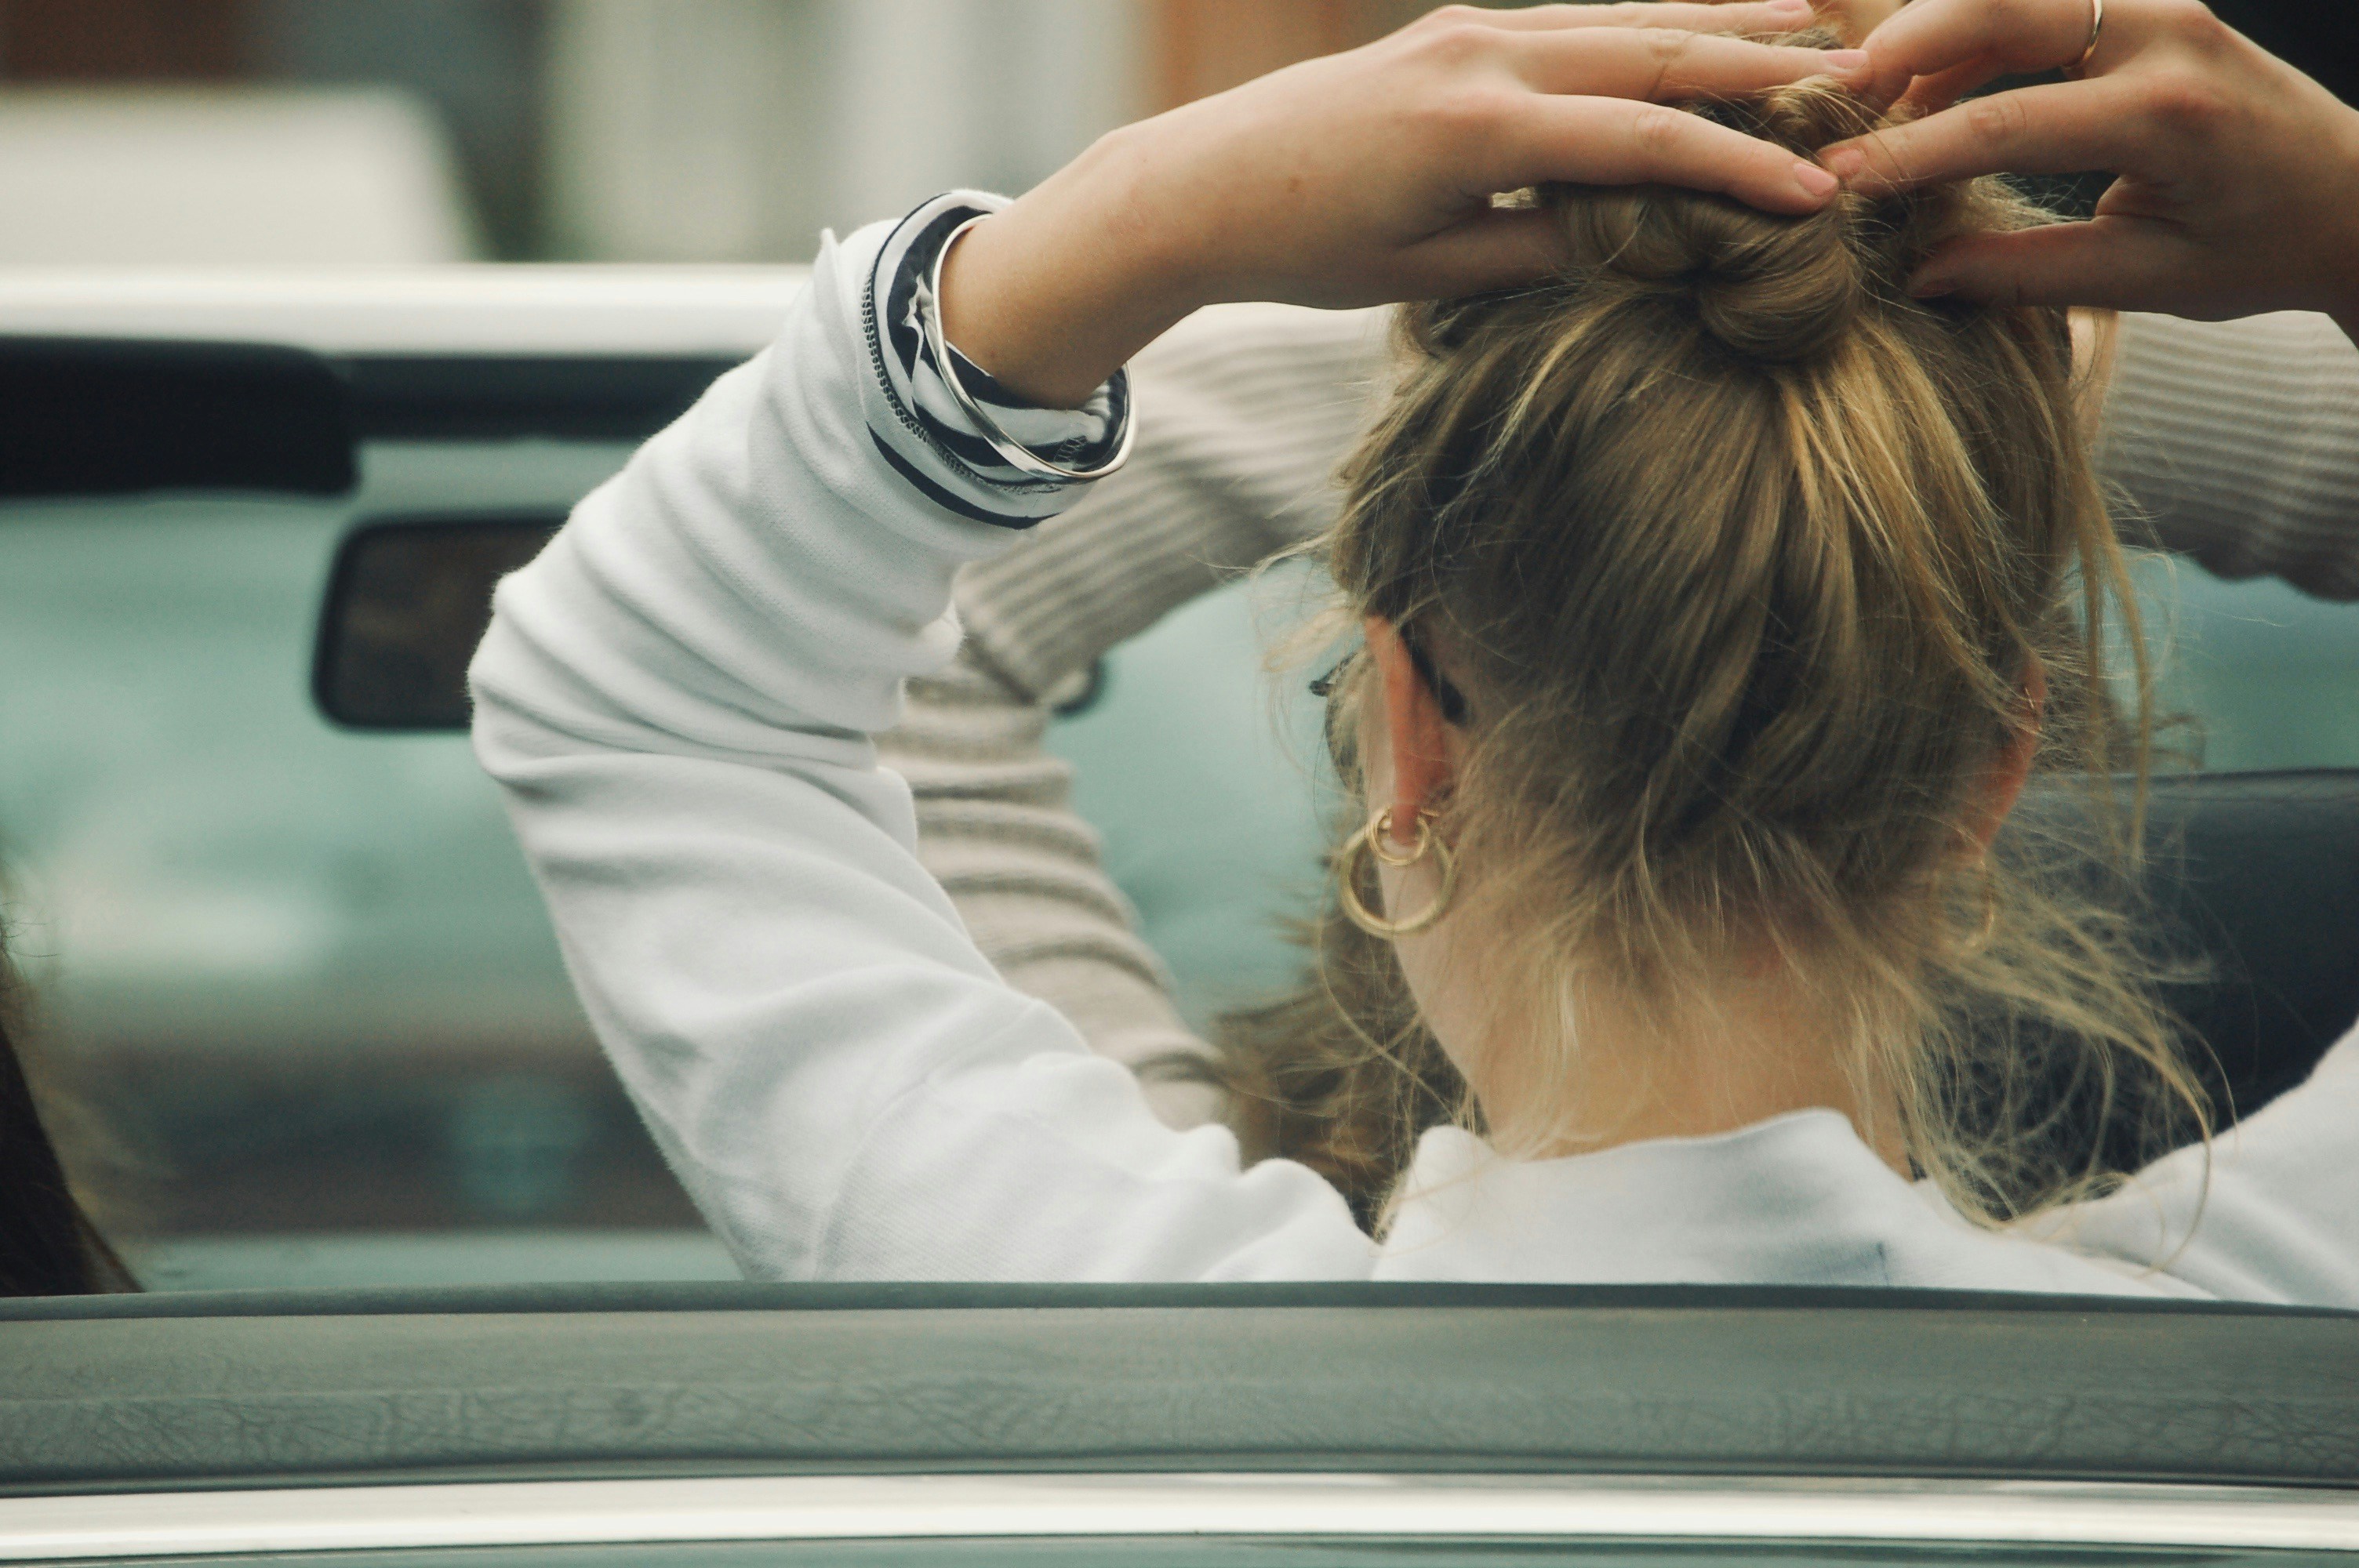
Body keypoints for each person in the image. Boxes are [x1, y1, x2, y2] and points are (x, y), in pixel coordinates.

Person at [472, 2, 2359, 1294]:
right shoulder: (2276, 1342)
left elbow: (638, 689)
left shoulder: (1100, 1323)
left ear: (1409, 729)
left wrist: (1153, 208)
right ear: (1997, 768)